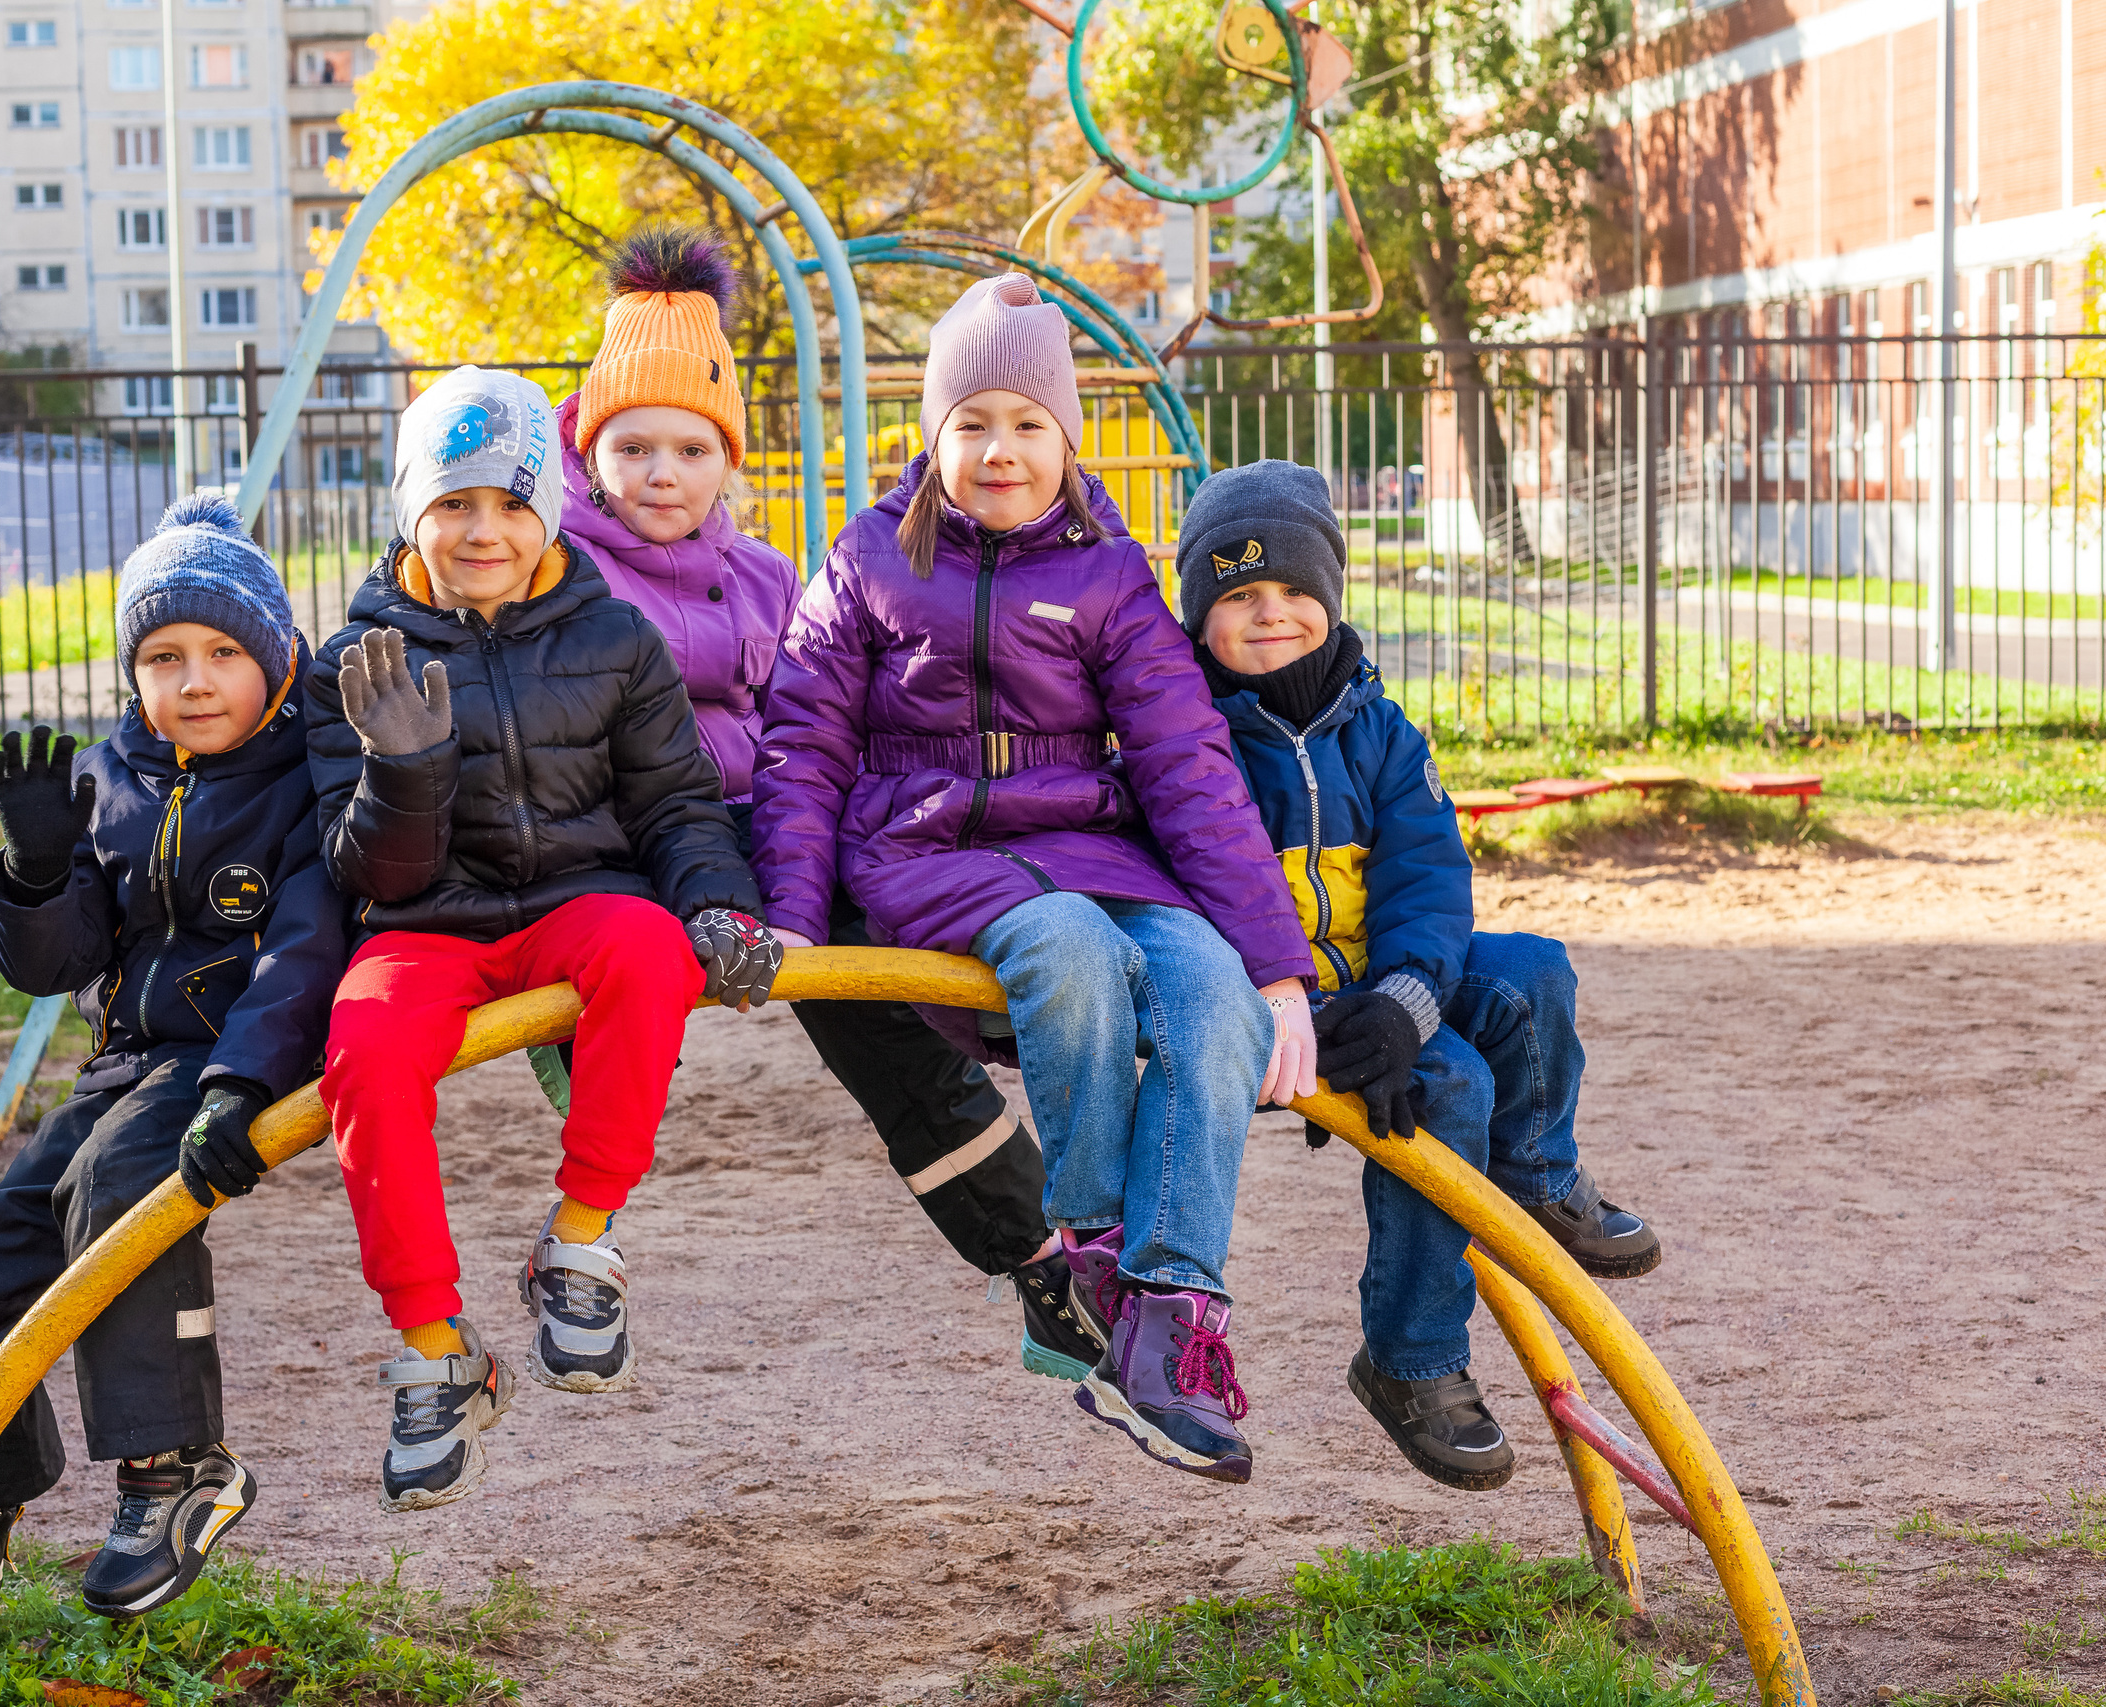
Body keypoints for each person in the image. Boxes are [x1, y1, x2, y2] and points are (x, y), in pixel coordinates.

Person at [755, 274, 1319, 1485]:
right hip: (927, 848)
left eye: (1026, 424)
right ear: (932, 435)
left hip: (1090, 841)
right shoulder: (865, 563)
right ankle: (1097, 1241)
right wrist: (792, 922)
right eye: (972, 424)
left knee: (1208, 987)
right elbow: (802, 747)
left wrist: (1276, 967)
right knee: (1064, 943)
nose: (998, 451)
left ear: (1067, 437)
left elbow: (1188, 767)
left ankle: (1168, 1312)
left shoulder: (1111, 578)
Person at [554, 226, 1094, 1382]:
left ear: (726, 465)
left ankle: (1037, 1254)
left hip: (754, 841)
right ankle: (578, 1240)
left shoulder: (760, 575)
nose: (661, 474)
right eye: (633, 447)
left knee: (871, 987)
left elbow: (807, 729)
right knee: (610, 978)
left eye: (690, 449)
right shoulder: (562, 572)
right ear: (586, 453)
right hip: (622, 849)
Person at [0, 495, 342, 1616]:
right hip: (130, 1062)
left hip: (238, 1052)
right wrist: (41, 873)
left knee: (117, 1188)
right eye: (161, 657)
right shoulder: (117, 778)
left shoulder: (307, 780)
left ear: (280, 656)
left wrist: (244, 1083)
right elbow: (58, 966)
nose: (193, 682)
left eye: (222, 653)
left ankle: (178, 1468)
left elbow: (308, 950)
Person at [308, 364, 784, 1512]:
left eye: (512, 505)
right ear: (408, 507)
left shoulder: (615, 638)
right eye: (454, 502)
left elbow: (674, 802)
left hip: (579, 897)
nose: (484, 531)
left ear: (551, 513)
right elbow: (360, 870)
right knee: (363, 1044)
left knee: (647, 949)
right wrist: (406, 775)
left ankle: (579, 1241)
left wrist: (718, 902)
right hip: (430, 923)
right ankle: (433, 1347)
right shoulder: (355, 661)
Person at [1179, 459, 1663, 1492]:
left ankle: (1534, 1177)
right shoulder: (1187, 738)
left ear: (1332, 597)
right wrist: (1301, 1012)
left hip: (1376, 981)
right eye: (1237, 597)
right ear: (1199, 614)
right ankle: (1411, 1360)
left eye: (1293, 592)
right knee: (1452, 1088)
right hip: (1261, 999)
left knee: (1532, 972)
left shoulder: (1380, 730)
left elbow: (1430, 882)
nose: (1270, 616)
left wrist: (1403, 1005)